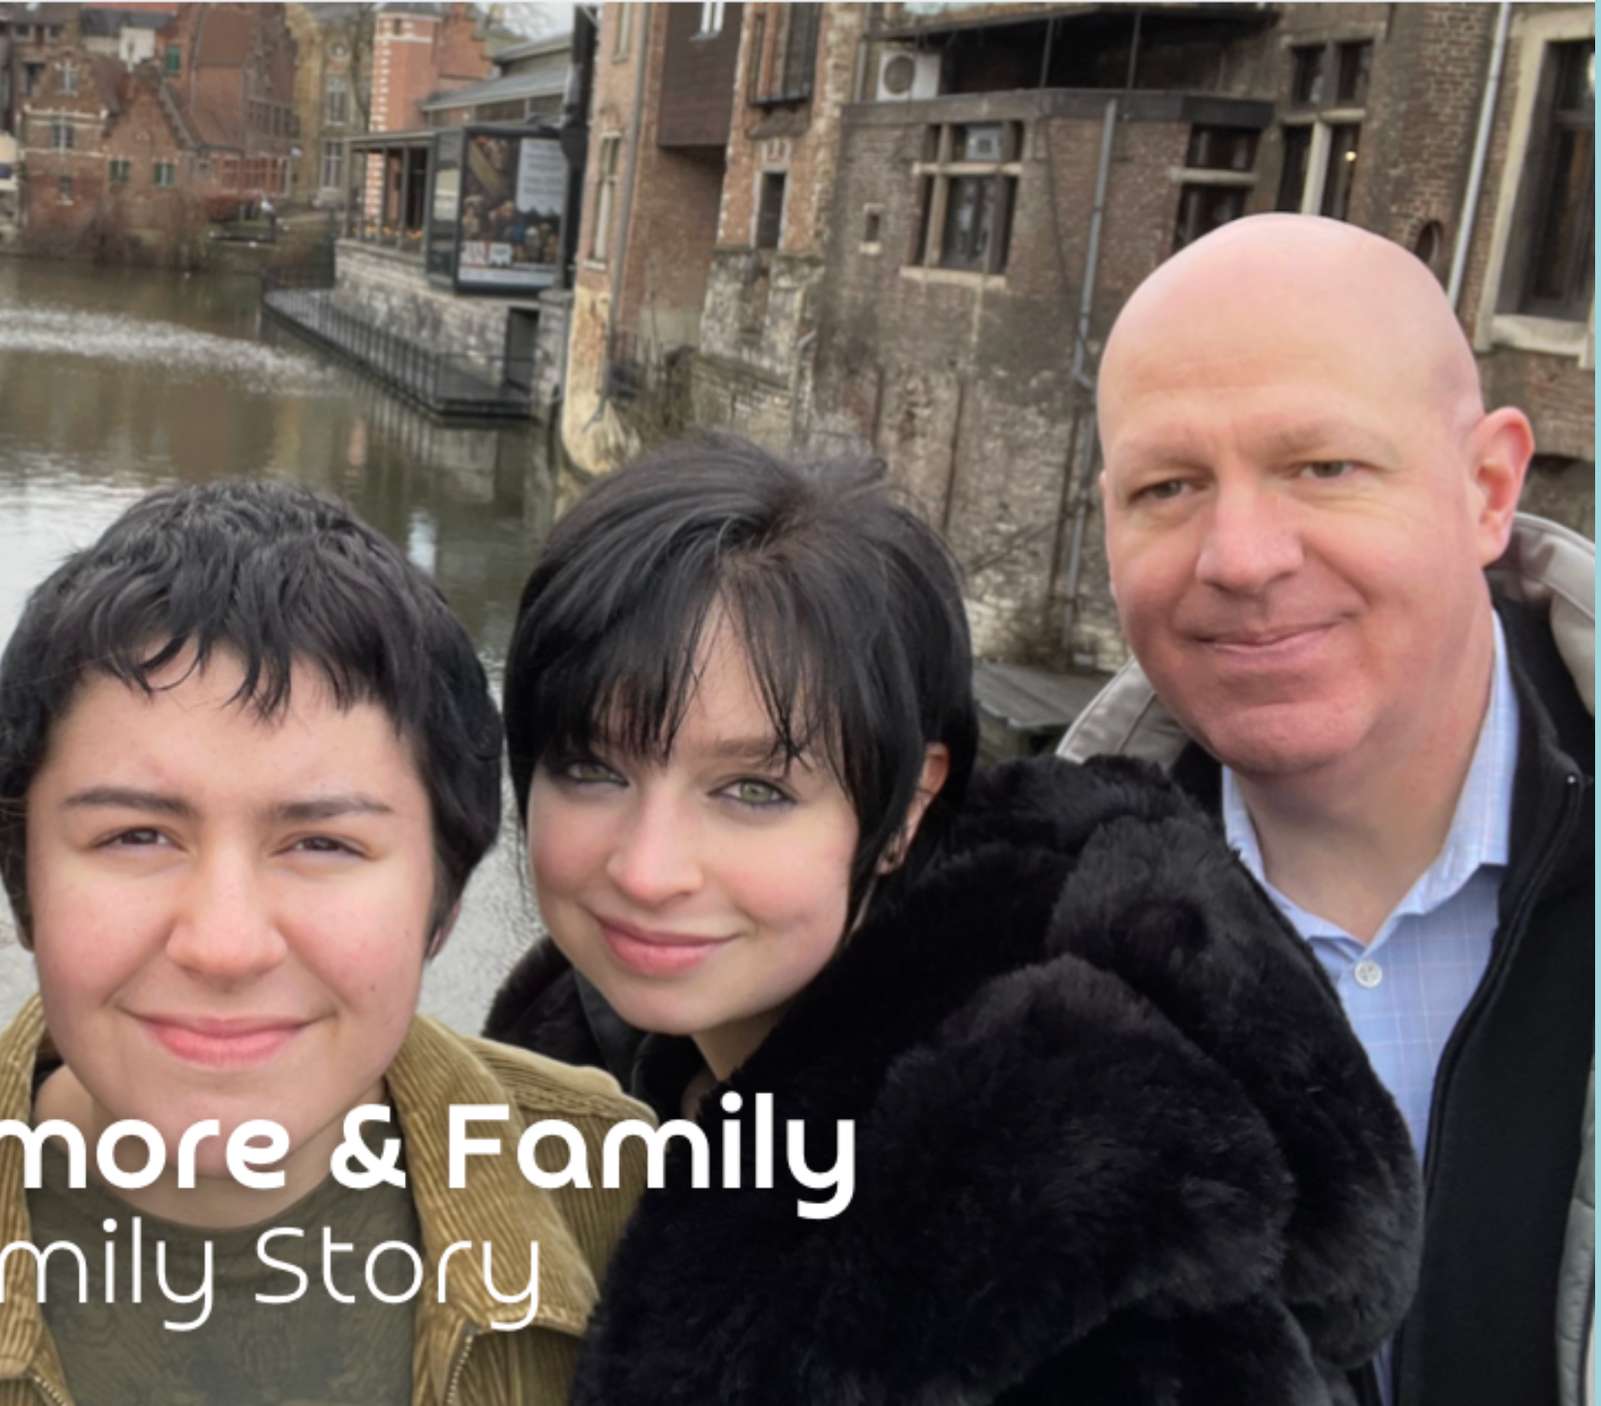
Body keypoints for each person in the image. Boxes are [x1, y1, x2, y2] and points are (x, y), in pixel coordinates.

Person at [482, 438, 1420, 1404]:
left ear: (907, 809)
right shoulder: (568, 1064)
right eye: (592, 768)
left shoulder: (1071, 1224)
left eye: (754, 791)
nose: (647, 871)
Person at [0, 481, 649, 1406]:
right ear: (24, 883)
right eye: (137, 836)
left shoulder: (642, 1201)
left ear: (441, 904)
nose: (224, 945)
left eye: (322, 844)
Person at [1067, 213, 1594, 1406]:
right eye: (1168, 486)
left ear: (1486, 489)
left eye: (1322, 467)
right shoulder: (1011, 926)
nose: (1241, 556)